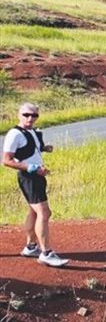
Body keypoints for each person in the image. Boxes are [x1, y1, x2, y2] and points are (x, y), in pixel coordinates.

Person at [2, 103, 69, 267]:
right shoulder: (14, 134)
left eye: (34, 115)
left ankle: (31, 247)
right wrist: (33, 168)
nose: (30, 118)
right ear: (19, 115)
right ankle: (46, 252)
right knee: (44, 212)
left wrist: (44, 148)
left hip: (36, 177)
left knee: (34, 212)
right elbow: (7, 161)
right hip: (29, 177)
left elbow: (29, 150)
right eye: (26, 115)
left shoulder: (31, 132)